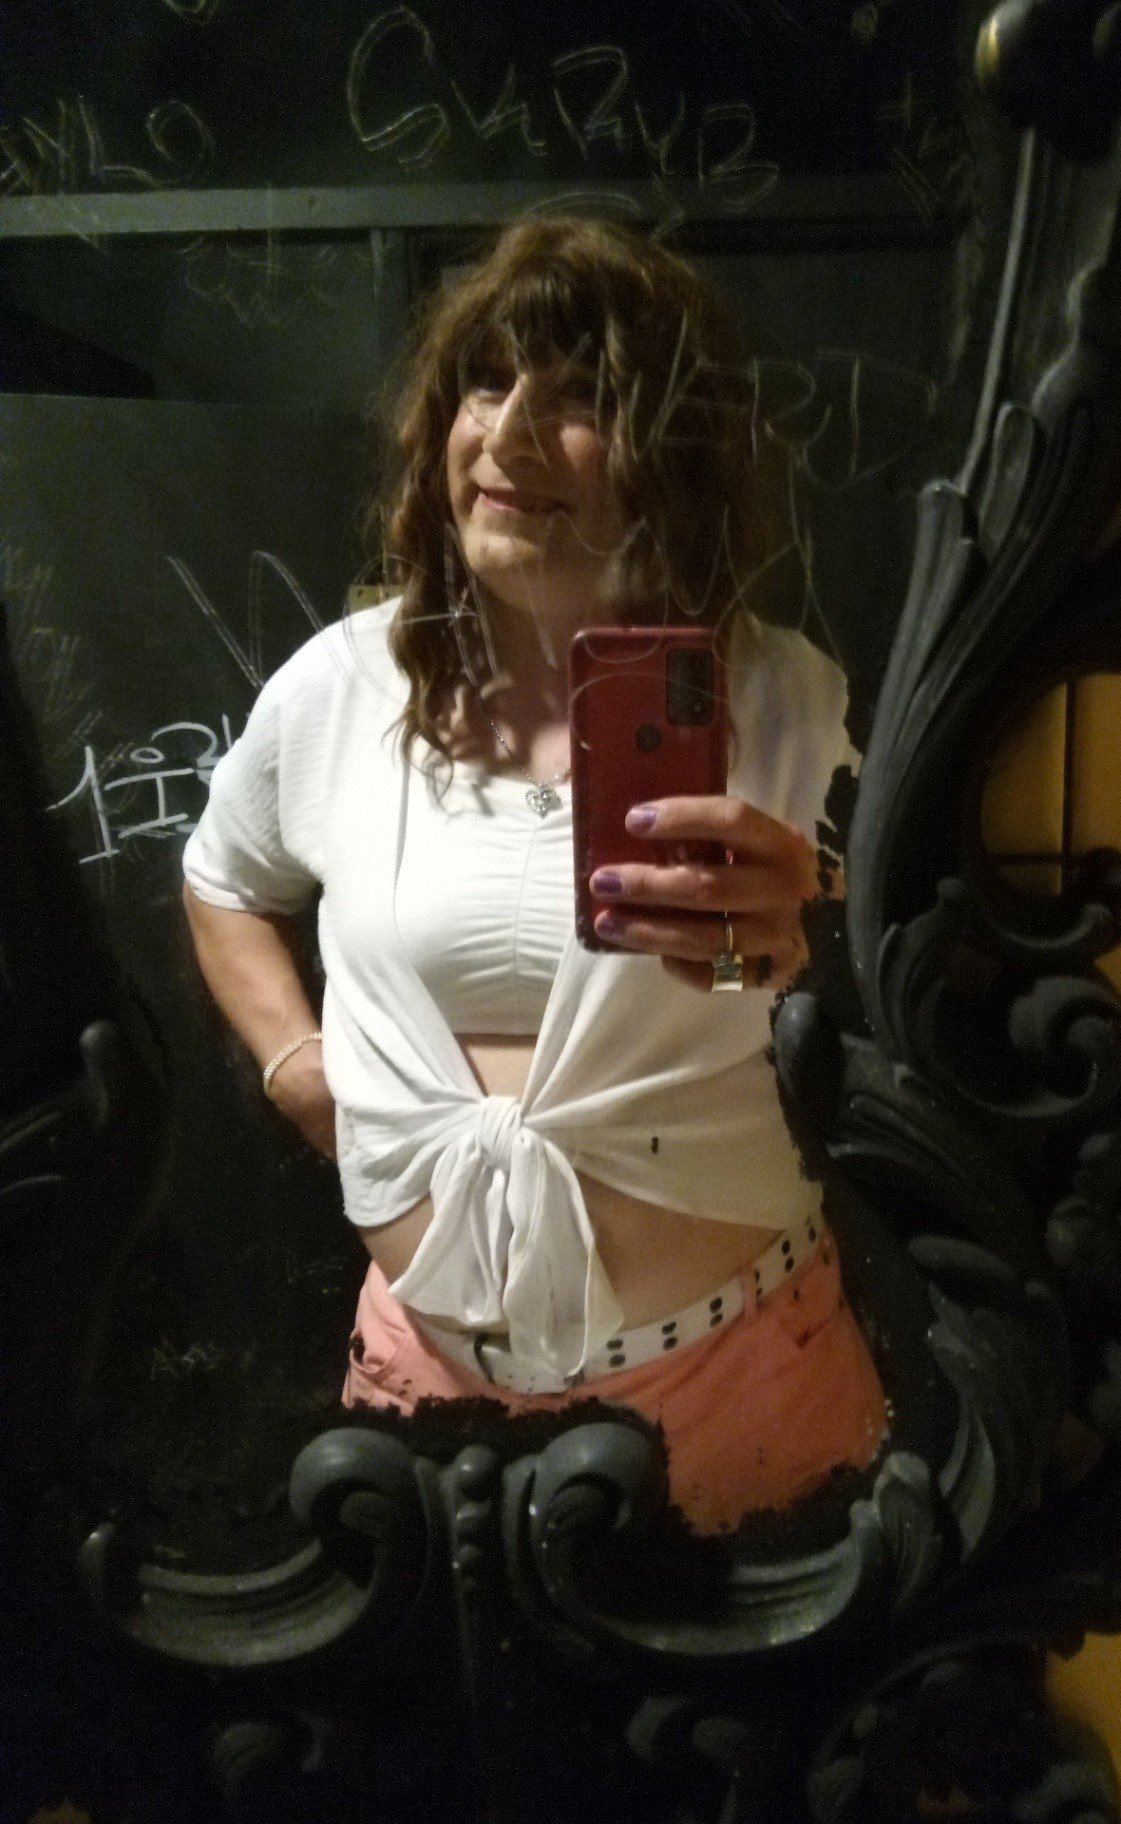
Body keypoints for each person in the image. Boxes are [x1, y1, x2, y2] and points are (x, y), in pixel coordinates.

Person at [181, 216, 887, 1533]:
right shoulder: (344, 688)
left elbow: (885, 996)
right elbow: (222, 879)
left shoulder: (792, 701)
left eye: (577, 401)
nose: (505, 437)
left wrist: (806, 936)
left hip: (738, 1383)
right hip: (422, 1391)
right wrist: (295, 1065)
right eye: (484, 383)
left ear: (670, 449)